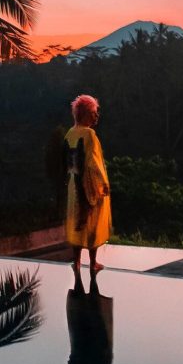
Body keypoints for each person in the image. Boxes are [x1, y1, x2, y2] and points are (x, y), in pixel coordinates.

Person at [63, 94, 111, 274]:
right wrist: (103, 184)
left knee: (77, 221)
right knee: (93, 223)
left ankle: (76, 261)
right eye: (93, 113)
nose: (96, 116)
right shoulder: (89, 134)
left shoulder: (70, 133)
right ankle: (92, 262)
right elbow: (93, 163)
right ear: (83, 114)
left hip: (73, 185)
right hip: (89, 185)